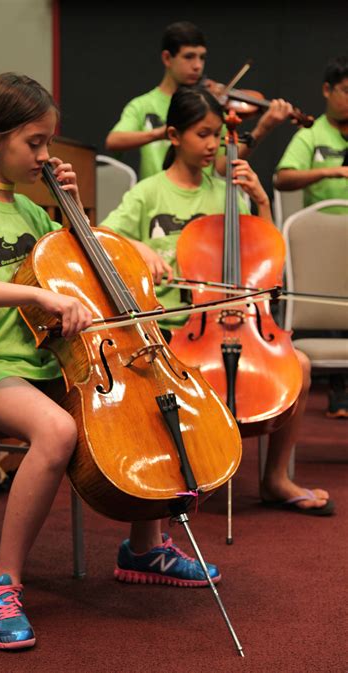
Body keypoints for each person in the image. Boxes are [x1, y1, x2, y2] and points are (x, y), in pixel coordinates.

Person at [0, 73, 222, 652]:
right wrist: (36, 295)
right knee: (58, 430)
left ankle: (144, 549)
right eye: (34, 143)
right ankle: (2, 582)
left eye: (48, 144)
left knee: (147, 410)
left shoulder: (35, 213)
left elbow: (77, 263)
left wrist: (77, 215)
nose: (45, 155)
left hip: (44, 365)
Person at [100, 85, 335, 518]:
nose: (213, 146)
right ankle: (183, 475)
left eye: (216, 136)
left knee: (297, 366)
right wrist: (139, 246)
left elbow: (265, 255)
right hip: (168, 324)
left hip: (231, 319)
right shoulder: (148, 193)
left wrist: (261, 200)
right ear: (174, 136)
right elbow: (102, 237)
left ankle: (275, 477)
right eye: (202, 135)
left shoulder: (226, 191)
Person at [105, 20, 294, 180]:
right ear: (167, 58)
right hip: (157, 200)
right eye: (189, 57)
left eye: (202, 58)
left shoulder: (209, 107)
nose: (197, 66)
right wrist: (161, 133)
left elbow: (222, 167)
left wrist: (261, 130)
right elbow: (114, 141)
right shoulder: (143, 105)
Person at [274, 54, 348, 418]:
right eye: (346, 92)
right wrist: (332, 173)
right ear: (327, 90)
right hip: (321, 240)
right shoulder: (311, 134)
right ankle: (338, 387)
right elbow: (283, 177)